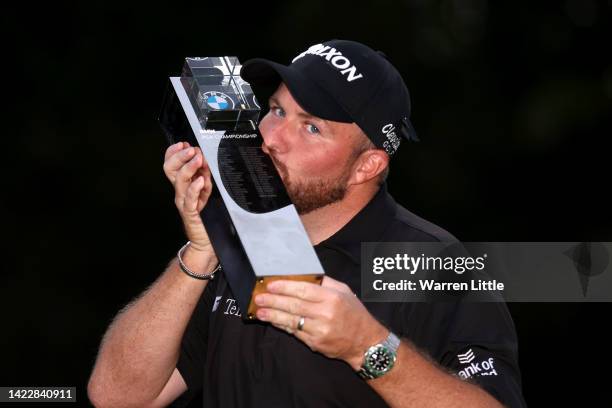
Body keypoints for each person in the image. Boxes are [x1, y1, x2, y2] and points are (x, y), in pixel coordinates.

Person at [88, 40, 526, 407]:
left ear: (366, 166)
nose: (271, 137)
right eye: (276, 110)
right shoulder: (239, 244)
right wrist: (201, 250)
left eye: (311, 128)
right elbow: (117, 397)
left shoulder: (433, 264)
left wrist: (367, 347)